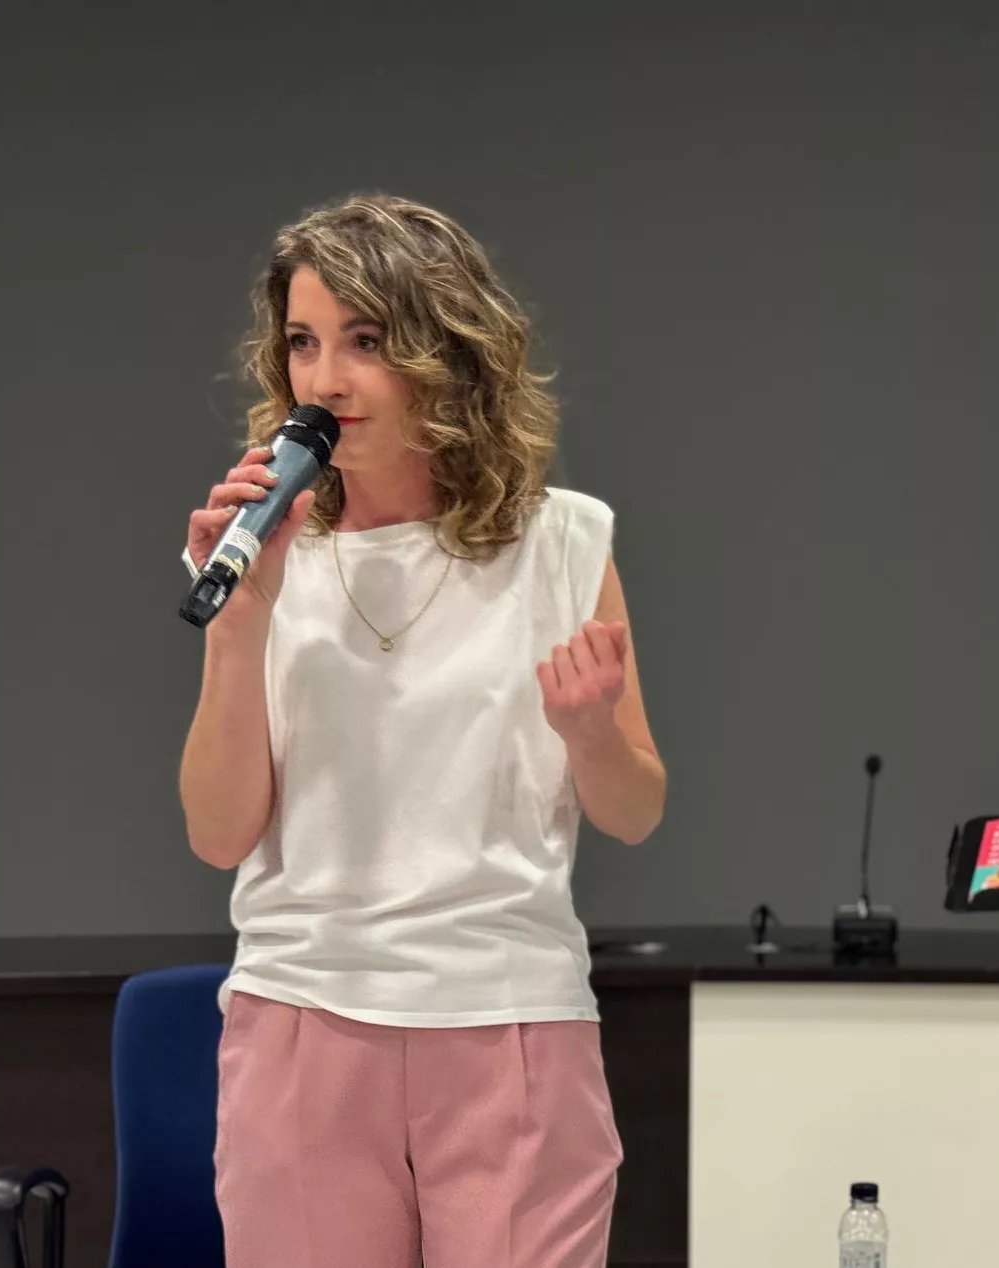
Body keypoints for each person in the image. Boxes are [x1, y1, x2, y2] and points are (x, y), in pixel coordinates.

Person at [178, 193, 665, 1268]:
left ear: (447, 353)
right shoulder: (259, 549)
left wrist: (588, 733)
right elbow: (219, 833)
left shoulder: (561, 544)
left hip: (509, 1022)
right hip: (303, 1016)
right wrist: (241, 623)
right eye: (303, 343)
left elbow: (634, 807)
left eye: (363, 341)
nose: (324, 381)